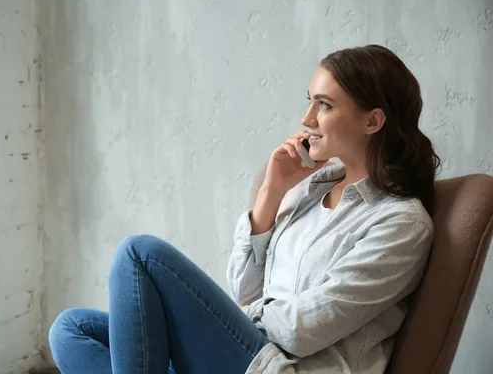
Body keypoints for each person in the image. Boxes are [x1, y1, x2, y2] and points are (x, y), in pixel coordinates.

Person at [48, 44, 440, 374]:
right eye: (310, 103)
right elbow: (244, 288)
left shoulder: (400, 223)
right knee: (72, 329)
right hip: (249, 351)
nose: (306, 120)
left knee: (140, 254)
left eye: (324, 105)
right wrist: (272, 192)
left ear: (372, 121)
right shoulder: (310, 190)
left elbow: (304, 329)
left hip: (281, 367)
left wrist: (239, 315)